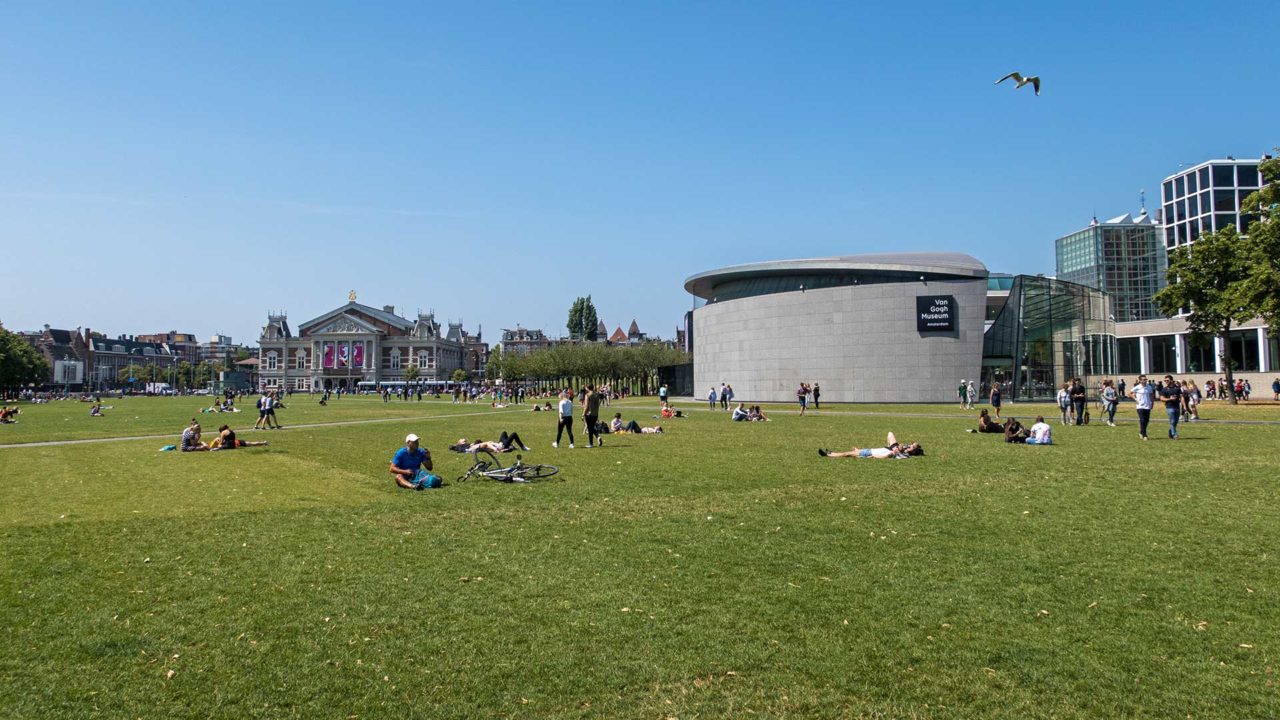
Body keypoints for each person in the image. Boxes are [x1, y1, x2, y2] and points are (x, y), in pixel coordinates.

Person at [818, 431, 923, 459]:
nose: (909, 445)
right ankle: (831, 453)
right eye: (911, 444)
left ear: (914, 451)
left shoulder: (901, 454)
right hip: (872, 450)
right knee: (851, 453)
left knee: (846, 454)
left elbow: (883, 456)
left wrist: (871, 456)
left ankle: (828, 455)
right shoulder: (899, 451)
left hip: (870, 452)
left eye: (912, 446)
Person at [449, 430, 530, 454]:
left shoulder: (471, 445)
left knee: (504, 433)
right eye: (461, 439)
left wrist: (491, 442)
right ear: (461, 443)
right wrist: (496, 449)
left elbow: (486, 444)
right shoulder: (472, 447)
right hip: (500, 447)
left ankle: (510, 446)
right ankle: (522, 447)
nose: (463, 438)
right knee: (514, 434)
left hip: (498, 444)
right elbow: (486, 445)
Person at [1130, 374, 1153, 441]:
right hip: (1140, 406)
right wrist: (1135, 399)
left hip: (1147, 406)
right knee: (1142, 420)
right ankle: (1144, 434)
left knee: (1147, 420)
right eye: (1143, 379)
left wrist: (1152, 403)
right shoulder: (1137, 387)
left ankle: (1141, 432)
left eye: (1145, 379)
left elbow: (1151, 395)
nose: (1145, 381)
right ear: (1140, 380)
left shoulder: (1149, 387)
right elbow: (1129, 393)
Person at [1159, 375, 1182, 440]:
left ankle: (1171, 432)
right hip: (1169, 407)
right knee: (1172, 421)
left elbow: (1181, 397)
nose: (1166, 381)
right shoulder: (1164, 389)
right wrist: (1170, 399)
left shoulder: (1177, 388)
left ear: (1171, 380)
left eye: (1167, 380)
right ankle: (1175, 435)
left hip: (1177, 406)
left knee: (1175, 421)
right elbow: (1162, 398)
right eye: (1165, 380)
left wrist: (1184, 406)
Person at [583, 384, 603, 448]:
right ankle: (598, 436)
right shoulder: (597, 394)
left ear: (588, 388)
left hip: (589, 414)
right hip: (595, 414)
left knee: (590, 428)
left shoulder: (587, 395)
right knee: (591, 427)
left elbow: (586, 406)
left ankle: (590, 443)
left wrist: (583, 413)